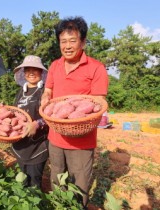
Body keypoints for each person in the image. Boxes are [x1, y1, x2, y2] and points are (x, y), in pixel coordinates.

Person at [41, 17, 109, 208]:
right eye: (63, 41)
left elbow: (98, 102)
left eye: (73, 40)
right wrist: (45, 99)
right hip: (55, 135)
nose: (67, 46)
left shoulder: (96, 67)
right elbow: (48, 91)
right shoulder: (54, 65)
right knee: (57, 178)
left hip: (82, 140)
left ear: (83, 42)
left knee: (79, 185)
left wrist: (78, 111)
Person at [11, 55, 49, 189]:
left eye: (36, 69)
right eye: (28, 69)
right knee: (22, 179)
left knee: (34, 182)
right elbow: (15, 112)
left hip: (37, 145)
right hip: (20, 143)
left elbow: (51, 117)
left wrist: (38, 123)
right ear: (24, 72)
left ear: (41, 73)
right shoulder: (21, 91)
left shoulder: (45, 92)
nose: (31, 73)